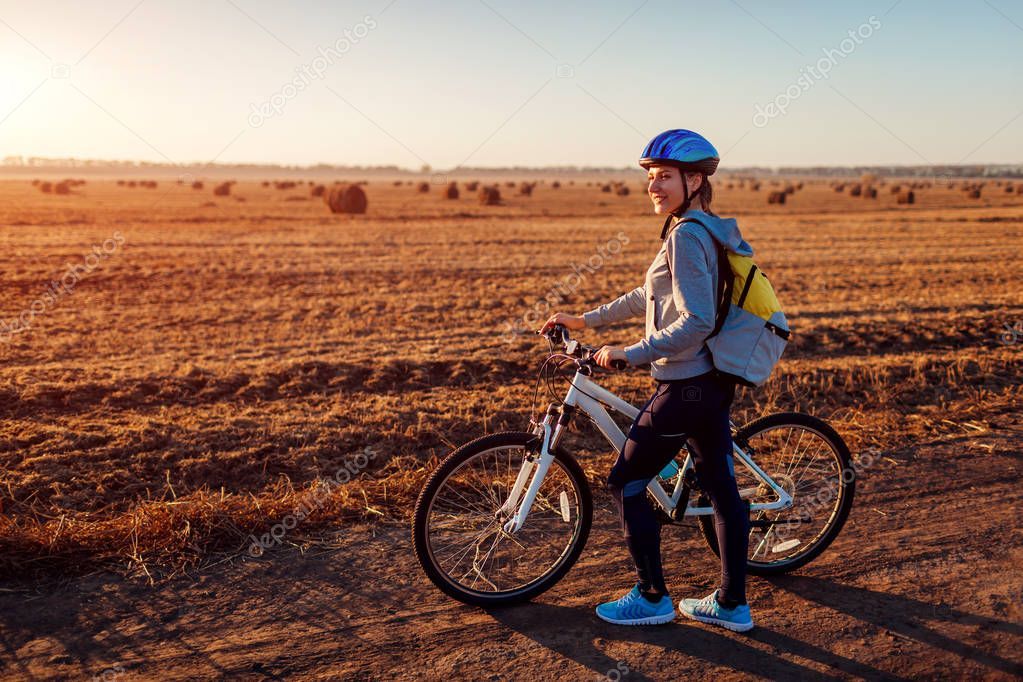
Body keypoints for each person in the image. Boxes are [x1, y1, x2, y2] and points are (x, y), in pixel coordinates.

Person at [539, 129, 755, 632]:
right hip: (709, 382)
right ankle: (732, 606)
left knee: (625, 483)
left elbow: (696, 319)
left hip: (686, 386)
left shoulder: (686, 235)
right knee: (722, 491)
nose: (654, 187)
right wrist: (585, 321)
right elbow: (648, 296)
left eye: (665, 177)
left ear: (695, 180)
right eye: (651, 178)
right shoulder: (697, 228)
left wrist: (629, 354)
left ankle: (652, 596)